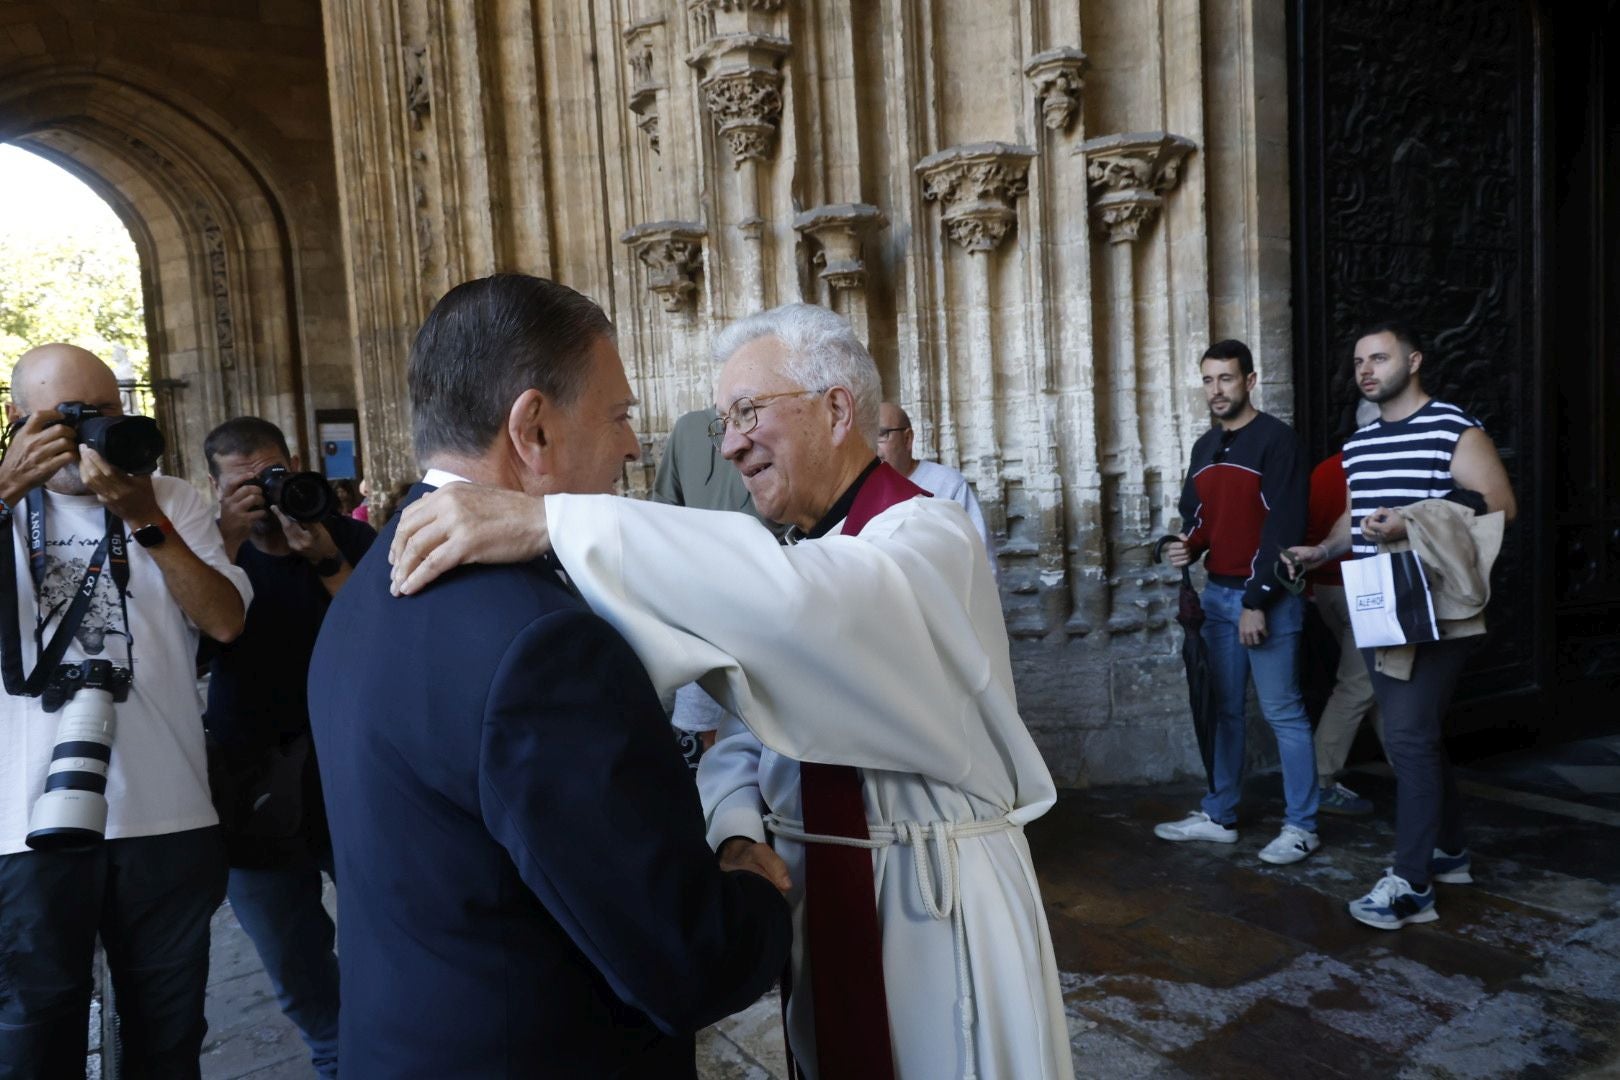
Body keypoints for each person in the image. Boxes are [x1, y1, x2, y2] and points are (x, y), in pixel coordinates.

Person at [389, 302, 1073, 1080]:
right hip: (831, 904)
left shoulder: (927, 536)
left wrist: (558, 523)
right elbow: (748, 728)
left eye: (747, 412)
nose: (729, 443)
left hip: (936, 914)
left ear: (838, 408)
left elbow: (815, 605)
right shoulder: (804, 552)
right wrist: (738, 827)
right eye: (723, 420)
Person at [305, 274, 791, 1078]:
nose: (635, 445)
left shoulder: (367, 587)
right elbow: (682, 958)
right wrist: (754, 894)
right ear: (532, 429)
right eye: (619, 415)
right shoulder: (543, 644)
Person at [0, 344, 250, 1078]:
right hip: (25, 826)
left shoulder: (170, 498)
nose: (87, 434)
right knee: (32, 1040)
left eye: (104, 414)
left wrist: (143, 518)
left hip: (166, 819)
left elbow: (227, 622)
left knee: (168, 1044)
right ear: (18, 421)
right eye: (64, 418)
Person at [1289, 318, 1516, 929]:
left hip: (1436, 604)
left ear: (1413, 361)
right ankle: (1450, 851)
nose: (1366, 370)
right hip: (1377, 602)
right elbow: (1354, 521)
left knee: (1409, 738)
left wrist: (1409, 522)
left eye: (1379, 358)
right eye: (1359, 361)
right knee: (1413, 737)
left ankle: (1413, 886)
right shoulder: (1359, 447)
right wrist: (1321, 552)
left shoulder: (1453, 426)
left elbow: (1499, 504)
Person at [202, 417, 375, 1079]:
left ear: (294, 462)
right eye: (246, 483)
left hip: (347, 766)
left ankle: (387, 1041)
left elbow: (388, 631)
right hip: (252, 785)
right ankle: (334, 1057)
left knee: (384, 925)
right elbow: (189, 646)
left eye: (273, 473)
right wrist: (221, 544)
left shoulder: (345, 535)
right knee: (290, 950)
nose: (266, 492)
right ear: (216, 488)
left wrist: (325, 558)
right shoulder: (210, 553)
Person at [1154, 339, 1320, 865]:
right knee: (1223, 712)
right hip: (1218, 598)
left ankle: (1302, 827)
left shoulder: (1278, 441)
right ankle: (1219, 815)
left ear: (1250, 381)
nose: (1217, 390)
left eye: (1226, 378)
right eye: (1208, 380)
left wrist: (1257, 601)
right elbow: (1199, 518)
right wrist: (1183, 545)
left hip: (1267, 599)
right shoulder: (1205, 446)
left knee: (1284, 713)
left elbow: (1284, 528)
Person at [651, 407, 785, 755]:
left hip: (771, 613)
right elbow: (664, 511)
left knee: (777, 734)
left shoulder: (777, 421)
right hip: (702, 615)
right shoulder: (690, 429)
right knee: (714, 738)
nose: (729, 448)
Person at [1306, 436, 1381, 817]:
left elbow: (1310, 526)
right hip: (1364, 589)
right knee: (1359, 684)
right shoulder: (1376, 462)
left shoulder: (1322, 470)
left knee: (1375, 681)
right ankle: (1317, 778)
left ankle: (1419, 773)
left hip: (1326, 589)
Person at [874, 401, 998, 580]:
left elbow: (981, 558)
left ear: (907, 439)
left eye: (880, 435)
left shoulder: (948, 484)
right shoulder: (862, 491)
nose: (873, 448)